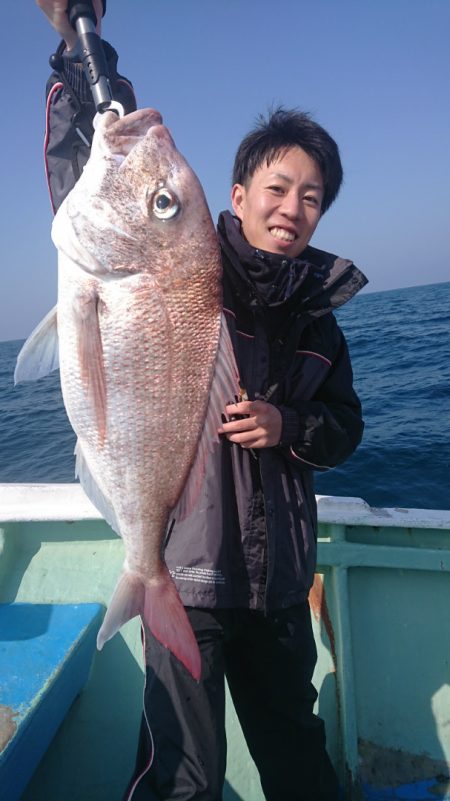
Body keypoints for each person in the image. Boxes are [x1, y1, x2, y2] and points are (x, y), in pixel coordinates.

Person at [37, 2, 368, 799]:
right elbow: (109, 163)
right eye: (278, 187)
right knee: (184, 772)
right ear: (239, 192)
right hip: (186, 573)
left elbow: (344, 429)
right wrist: (79, 49)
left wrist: (289, 424)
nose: (292, 208)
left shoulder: (319, 319)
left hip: (282, 584)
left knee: (298, 758)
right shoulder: (192, 270)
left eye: (312, 197)